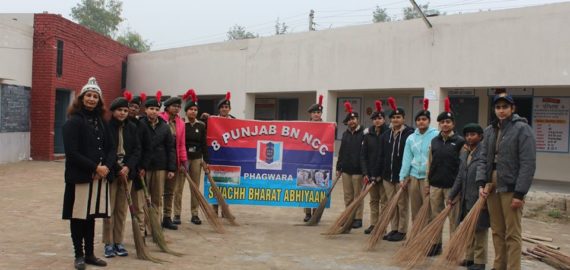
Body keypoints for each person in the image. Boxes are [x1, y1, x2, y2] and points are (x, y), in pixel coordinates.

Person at [476, 91, 536, 270]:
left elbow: (528, 163)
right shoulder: (489, 130)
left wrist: (520, 193)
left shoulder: (522, 129)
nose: (501, 111)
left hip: (511, 185)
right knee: (497, 230)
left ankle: (513, 267)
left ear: (512, 108)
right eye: (498, 107)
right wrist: (481, 183)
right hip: (491, 184)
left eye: (505, 107)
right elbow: (483, 158)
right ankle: (499, 265)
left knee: (512, 232)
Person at [62, 77, 115, 269]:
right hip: (81, 177)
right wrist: (94, 168)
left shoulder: (102, 121)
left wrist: (105, 168)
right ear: (82, 98)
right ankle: (79, 255)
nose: (92, 99)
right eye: (89, 96)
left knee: (91, 216)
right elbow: (72, 153)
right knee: (78, 217)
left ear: (99, 100)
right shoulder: (73, 122)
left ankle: (91, 254)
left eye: (95, 96)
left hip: (99, 177)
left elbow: (111, 148)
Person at [103, 92, 141, 258]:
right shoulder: (105, 127)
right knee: (109, 209)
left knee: (121, 209)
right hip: (111, 173)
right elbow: (104, 151)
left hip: (127, 173)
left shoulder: (133, 128)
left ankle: (118, 241)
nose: (122, 113)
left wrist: (127, 167)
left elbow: (137, 150)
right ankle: (108, 242)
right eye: (119, 110)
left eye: (125, 111)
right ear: (113, 111)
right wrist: (117, 168)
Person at [426, 97, 465, 256]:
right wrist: (427, 184)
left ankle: (453, 249)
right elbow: (430, 163)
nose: (445, 124)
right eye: (442, 122)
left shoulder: (460, 142)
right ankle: (436, 245)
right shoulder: (434, 141)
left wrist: (457, 189)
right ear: (439, 124)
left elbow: (463, 167)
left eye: (448, 122)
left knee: (454, 220)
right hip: (435, 185)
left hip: (452, 187)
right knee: (436, 218)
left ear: (453, 124)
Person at [448, 123, 489, 270]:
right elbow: (460, 175)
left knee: (480, 230)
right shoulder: (465, 153)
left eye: (473, 134)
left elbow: (486, 174)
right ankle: (470, 258)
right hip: (466, 197)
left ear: (480, 136)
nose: (469, 137)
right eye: (467, 135)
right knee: (468, 229)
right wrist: (452, 194)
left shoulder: (484, 152)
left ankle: (480, 262)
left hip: (479, 197)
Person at [399, 98, 438, 228]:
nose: (421, 122)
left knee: (429, 210)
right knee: (415, 209)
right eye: (418, 119)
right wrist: (403, 176)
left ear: (429, 121)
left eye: (424, 119)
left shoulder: (436, 136)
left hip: (430, 179)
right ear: (416, 122)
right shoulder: (411, 138)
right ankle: (415, 237)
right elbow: (407, 158)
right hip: (414, 177)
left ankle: (428, 240)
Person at [380, 97, 414, 241]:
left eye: (398, 117)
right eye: (393, 117)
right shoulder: (386, 135)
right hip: (388, 175)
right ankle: (393, 229)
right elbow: (381, 155)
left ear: (403, 118)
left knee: (402, 204)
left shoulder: (410, 134)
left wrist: (406, 175)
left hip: (402, 176)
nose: (395, 119)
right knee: (391, 204)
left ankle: (402, 230)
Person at [142, 91, 176, 233]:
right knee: (144, 199)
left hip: (160, 166)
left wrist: (171, 168)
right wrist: (139, 166)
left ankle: (155, 228)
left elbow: (171, 148)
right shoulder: (140, 124)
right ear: (145, 110)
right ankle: (143, 227)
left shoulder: (165, 127)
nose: (154, 112)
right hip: (144, 167)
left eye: (156, 109)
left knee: (157, 199)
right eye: (151, 109)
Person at [174, 89, 209, 225]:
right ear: (186, 111)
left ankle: (194, 214)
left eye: (195, 110)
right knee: (179, 188)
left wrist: (206, 161)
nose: (193, 112)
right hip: (183, 159)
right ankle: (176, 214)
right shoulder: (181, 124)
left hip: (196, 159)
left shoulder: (201, 126)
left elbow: (204, 144)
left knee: (194, 187)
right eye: (191, 109)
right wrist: (180, 160)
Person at [201, 91, 235, 215]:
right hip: (216, 156)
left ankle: (225, 210)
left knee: (229, 183)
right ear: (219, 109)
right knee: (216, 182)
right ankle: (215, 208)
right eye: (222, 107)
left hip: (230, 157)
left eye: (226, 107)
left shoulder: (235, 121)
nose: (224, 109)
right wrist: (205, 119)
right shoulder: (213, 120)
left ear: (230, 109)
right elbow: (204, 131)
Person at [160, 93, 188, 229]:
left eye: (178, 106)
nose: (177, 109)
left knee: (170, 191)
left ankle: (167, 217)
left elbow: (181, 144)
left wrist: (183, 161)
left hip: (173, 161)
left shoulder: (181, 123)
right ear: (167, 107)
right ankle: (154, 218)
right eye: (174, 106)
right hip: (159, 161)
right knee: (157, 191)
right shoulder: (159, 119)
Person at [360, 100, 389, 234]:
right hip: (370, 174)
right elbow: (363, 156)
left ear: (384, 119)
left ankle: (381, 226)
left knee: (384, 201)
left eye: (380, 118)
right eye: (375, 119)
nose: (377, 121)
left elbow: (386, 157)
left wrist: (380, 175)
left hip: (383, 175)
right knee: (373, 200)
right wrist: (366, 173)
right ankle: (373, 224)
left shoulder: (388, 134)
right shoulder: (368, 135)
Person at [336, 101, 365, 229]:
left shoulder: (365, 133)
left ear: (357, 120)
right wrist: (338, 167)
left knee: (358, 196)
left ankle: (358, 218)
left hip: (358, 170)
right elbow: (341, 151)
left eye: (353, 119)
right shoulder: (345, 134)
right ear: (347, 122)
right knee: (348, 196)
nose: (352, 121)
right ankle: (349, 216)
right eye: (349, 120)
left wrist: (365, 171)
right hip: (346, 170)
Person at [127, 93, 152, 236]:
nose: (133, 109)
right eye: (131, 106)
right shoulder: (119, 123)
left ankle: (141, 233)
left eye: (136, 107)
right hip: (122, 170)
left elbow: (148, 149)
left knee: (139, 205)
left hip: (137, 170)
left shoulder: (142, 126)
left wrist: (143, 166)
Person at [303, 95, 324, 222]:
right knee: (306, 186)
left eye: (318, 112)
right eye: (314, 112)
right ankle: (307, 213)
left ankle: (316, 212)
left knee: (318, 186)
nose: (316, 114)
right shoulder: (305, 126)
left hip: (320, 161)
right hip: (306, 160)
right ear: (310, 114)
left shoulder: (327, 126)